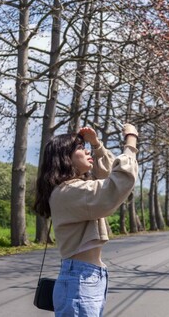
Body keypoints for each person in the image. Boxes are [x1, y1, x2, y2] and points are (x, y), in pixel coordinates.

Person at [34, 124, 139, 317]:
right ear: (66, 158)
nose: (87, 150)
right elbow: (116, 184)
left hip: (87, 278)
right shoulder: (68, 192)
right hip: (80, 280)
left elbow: (108, 175)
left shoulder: (74, 189)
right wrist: (131, 140)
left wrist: (97, 144)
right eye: (81, 148)